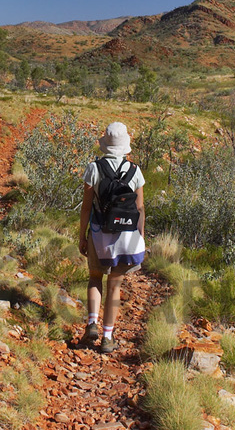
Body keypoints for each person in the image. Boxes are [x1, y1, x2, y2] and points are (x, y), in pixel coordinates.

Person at [78, 122, 146, 353]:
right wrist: (141, 235)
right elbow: (140, 208)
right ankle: (107, 337)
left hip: (99, 234)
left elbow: (86, 208)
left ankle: (92, 323)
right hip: (126, 236)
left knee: (95, 277)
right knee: (115, 286)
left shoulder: (94, 168)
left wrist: (82, 236)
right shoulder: (135, 170)